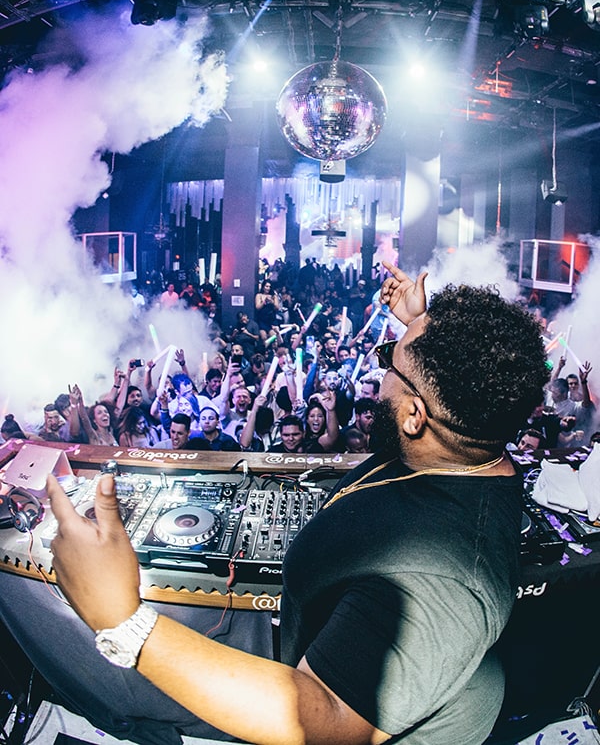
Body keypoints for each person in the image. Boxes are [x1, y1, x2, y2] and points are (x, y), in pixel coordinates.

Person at [48, 264, 549, 745]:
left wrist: (124, 621)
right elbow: (457, 384)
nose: (381, 373)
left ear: (415, 416)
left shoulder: (445, 581)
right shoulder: (467, 435)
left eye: (388, 362)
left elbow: (323, 718)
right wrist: (420, 328)